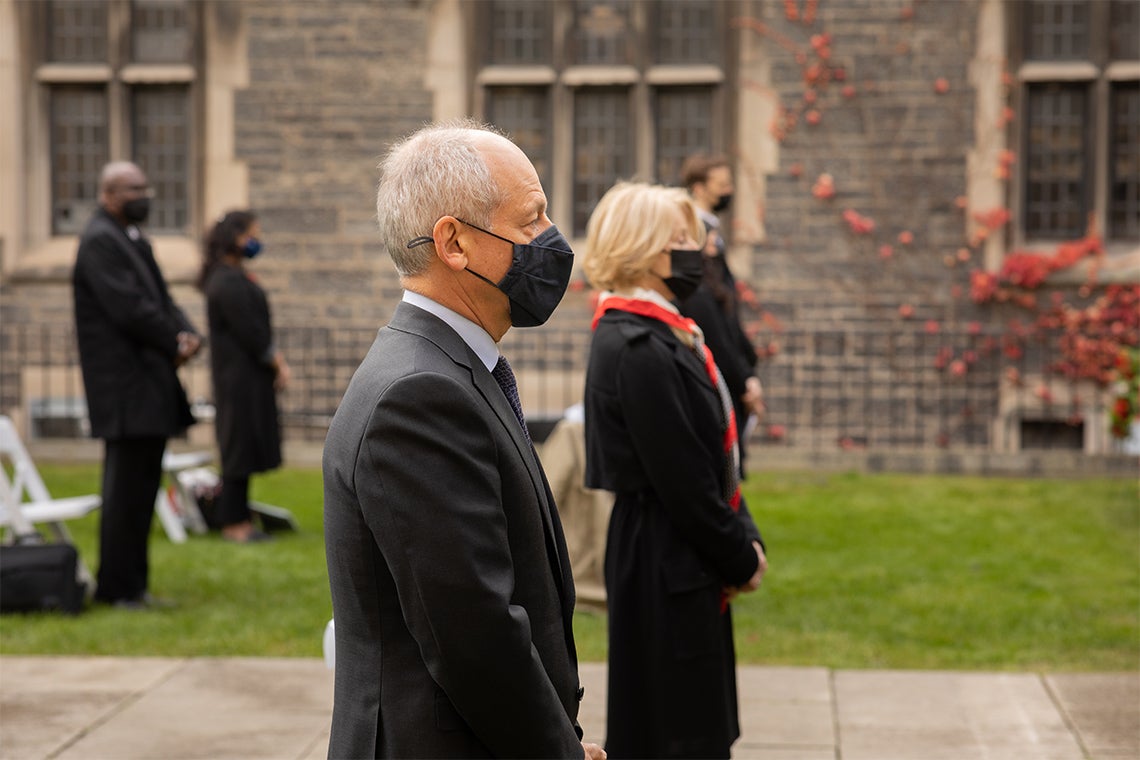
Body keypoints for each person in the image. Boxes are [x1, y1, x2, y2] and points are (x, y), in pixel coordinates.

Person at [322, 120, 605, 760]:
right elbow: (472, 635)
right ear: (453, 242)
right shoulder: (420, 395)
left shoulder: (444, 369)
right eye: (531, 220)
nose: (552, 242)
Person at [582, 181, 768, 759]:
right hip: (664, 552)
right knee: (674, 729)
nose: (696, 250)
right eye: (682, 238)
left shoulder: (665, 331)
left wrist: (746, 534)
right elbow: (683, 483)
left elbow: (710, 459)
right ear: (644, 249)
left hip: (681, 548)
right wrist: (739, 554)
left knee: (694, 716)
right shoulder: (636, 346)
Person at [72, 161, 201, 609]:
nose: (144, 194)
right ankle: (115, 588)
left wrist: (187, 333)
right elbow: (130, 309)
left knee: (144, 489)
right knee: (125, 492)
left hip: (149, 384)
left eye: (145, 186)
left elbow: (160, 299)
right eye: (133, 189)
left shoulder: (131, 239)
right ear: (108, 194)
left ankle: (134, 586)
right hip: (123, 389)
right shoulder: (98, 242)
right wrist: (173, 342)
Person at [199, 210, 289, 544]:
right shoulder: (226, 281)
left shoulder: (235, 275)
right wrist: (277, 361)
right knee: (237, 449)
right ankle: (233, 524)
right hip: (237, 379)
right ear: (236, 238)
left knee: (247, 446)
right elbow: (250, 332)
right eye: (253, 234)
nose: (256, 241)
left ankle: (240, 517)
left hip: (248, 377)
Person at [679, 153, 764, 472]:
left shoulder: (711, 232)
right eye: (722, 184)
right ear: (699, 188)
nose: (728, 190)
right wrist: (742, 378)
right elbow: (711, 319)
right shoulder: (694, 235)